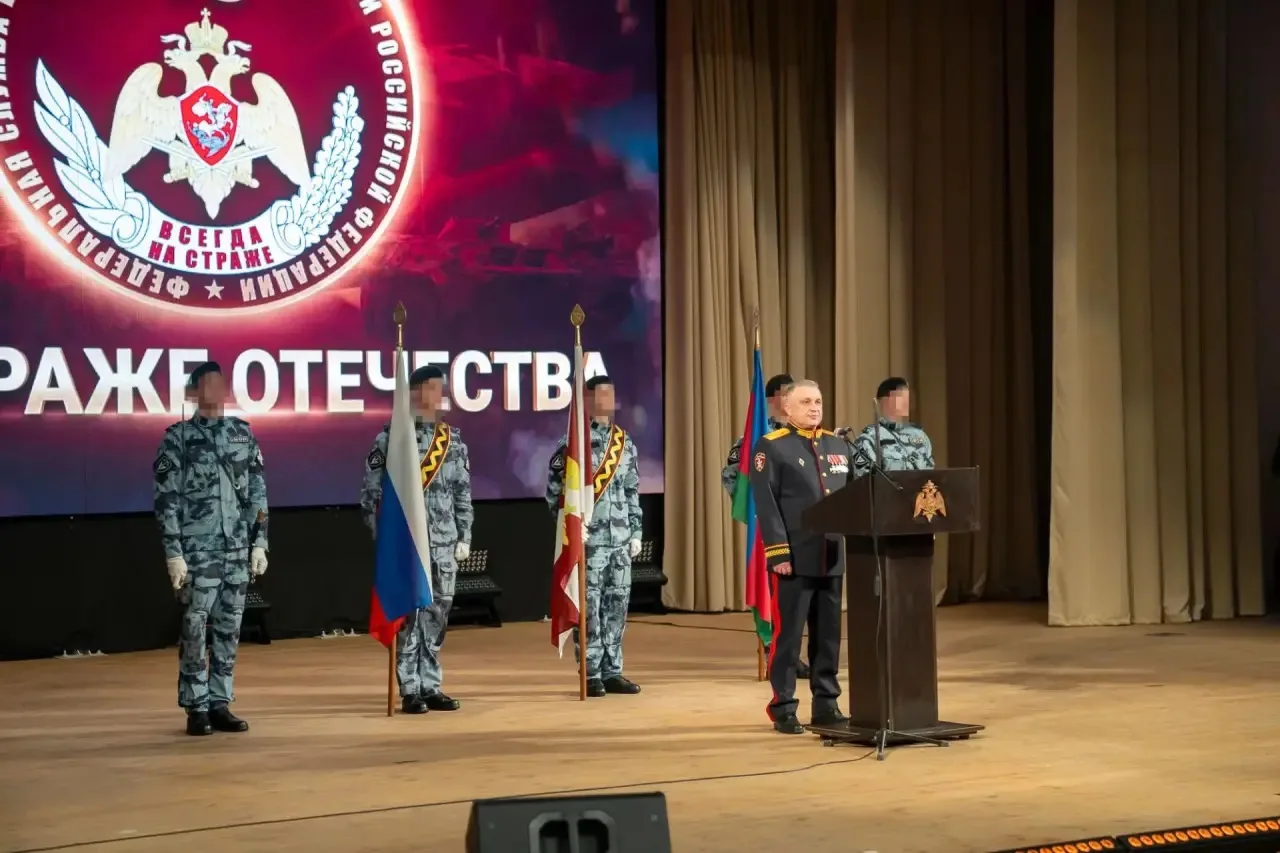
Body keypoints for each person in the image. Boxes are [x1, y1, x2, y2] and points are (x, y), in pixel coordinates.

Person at [153, 361, 269, 737]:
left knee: (229, 628)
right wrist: (174, 553)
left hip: (236, 549)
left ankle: (220, 701)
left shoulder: (242, 435)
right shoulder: (178, 439)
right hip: (198, 551)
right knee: (194, 627)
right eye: (207, 384)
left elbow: (258, 493)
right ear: (192, 392)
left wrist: (260, 542)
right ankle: (196, 705)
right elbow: (166, 500)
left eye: (220, 384)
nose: (216, 391)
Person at [360, 365, 474, 715]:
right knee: (410, 613)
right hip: (407, 544)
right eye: (435, 388)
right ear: (417, 391)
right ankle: (409, 688)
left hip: (443, 543)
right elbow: (371, 496)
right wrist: (384, 542)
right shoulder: (393, 438)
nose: (441, 396)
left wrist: (464, 535)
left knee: (439, 612)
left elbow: (462, 493)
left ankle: (431, 685)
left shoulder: (452, 440)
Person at [748, 379, 852, 734]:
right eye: (806, 402)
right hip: (792, 558)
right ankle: (783, 706)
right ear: (787, 408)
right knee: (789, 638)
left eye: (818, 401)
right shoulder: (772, 446)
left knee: (828, 638)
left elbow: (855, 495)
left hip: (831, 556)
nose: (814, 407)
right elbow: (766, 504)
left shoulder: (839, 445)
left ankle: (826, 705)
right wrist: (778, 552)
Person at [545, 375, 644, 697]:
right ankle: (591, 672)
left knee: (617, 607)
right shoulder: (574, 444)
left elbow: (632, 490)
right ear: (587, 400)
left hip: (620, 541)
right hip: (590, 542)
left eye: (611, 394)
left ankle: (613, 670)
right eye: (601, 394)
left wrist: (635, 530)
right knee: (590, 610)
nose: (607, 401)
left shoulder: (625, 443)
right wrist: (571, 528)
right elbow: (555, 492)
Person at [721, 372, 810, 680]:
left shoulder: (806, 436)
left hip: (801, 527)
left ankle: (792, 653)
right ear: (771, 400)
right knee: (771, 591)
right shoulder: (756, 436)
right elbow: (733, 476)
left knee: (798, 595)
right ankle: (775, 653)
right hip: (770, 528)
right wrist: (758, 508)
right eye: (785, 394)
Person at [844, 377, 935, 478]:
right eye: (899, 398)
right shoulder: (869, 439)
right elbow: (866, 481)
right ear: (883, 402)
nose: (905, 403)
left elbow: (931, 475)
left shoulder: (920, 436)